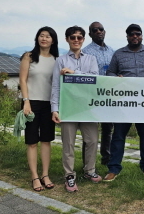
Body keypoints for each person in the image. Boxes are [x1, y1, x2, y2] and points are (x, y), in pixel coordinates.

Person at [102, 24, 144, 182]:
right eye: (131, 34)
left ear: (142, 36)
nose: (135, 36)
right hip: (124, 102)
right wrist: (116, 79)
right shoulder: (119, 54)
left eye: (138, 34)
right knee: (118, 136)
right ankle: (114, 168)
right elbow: (110, 73)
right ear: (127, 36)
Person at [51, 26, 100, 192]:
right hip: (68, 108)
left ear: (84, 40)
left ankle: (90, 170)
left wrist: (73, 73)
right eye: (73, 37)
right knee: (68, 144)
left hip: (87, 108)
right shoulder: (61, 60)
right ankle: (69, 176)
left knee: (92, 140)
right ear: (67, 39)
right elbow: (56, 86)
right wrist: (54, 109)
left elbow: (95, 80)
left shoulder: (91, 59)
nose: (76, 40)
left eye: (80, 37)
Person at [19, 26, 59, 192]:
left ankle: (45, 174)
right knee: (32, 141)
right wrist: (26, 101)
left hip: (49, 104)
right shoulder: (29, 57)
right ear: (37, 38)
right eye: (41, 36)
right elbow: (22, 80)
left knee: (46, 140)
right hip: (32, 103)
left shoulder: (57, 59)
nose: (44, 39)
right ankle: (35, 176)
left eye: (48, 36)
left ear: (53, 40)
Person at [82, 22, 115, 166]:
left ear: (105, 31)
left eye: (101, 29)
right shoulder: (86, 52)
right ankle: (88, 161)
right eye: (95, 30)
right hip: (92, 96)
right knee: (89, 132)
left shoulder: (112, 51)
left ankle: (106, 159)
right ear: (90, 34)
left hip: (108, 96)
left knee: (108, 130)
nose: (98, 32)